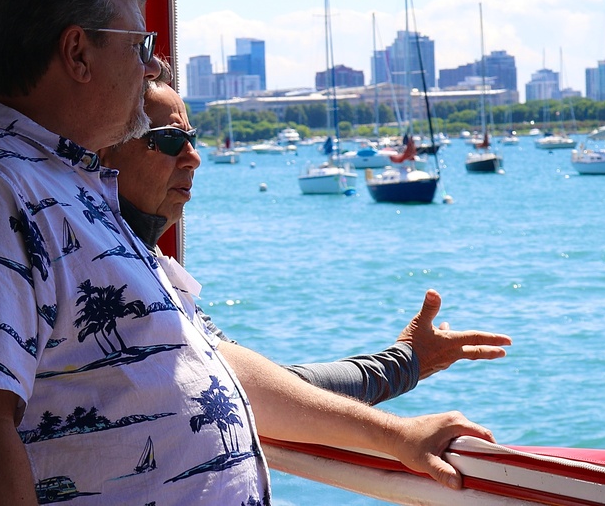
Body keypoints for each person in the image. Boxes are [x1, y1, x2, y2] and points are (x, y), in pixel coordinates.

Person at [0, 0, 498, 506]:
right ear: (77, 52)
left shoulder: (65, 188)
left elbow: (206, 367)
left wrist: (397, 435)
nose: (153, 64)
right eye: (139, 45)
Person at [99, 61, 512, 406]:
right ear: (102, 152)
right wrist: (405, 376)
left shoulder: (143, 268)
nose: (194, 158)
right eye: (170, 140)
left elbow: (261, 386)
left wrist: (407, 362)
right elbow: (264, 394)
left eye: (191, 139)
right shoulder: (101, 277)